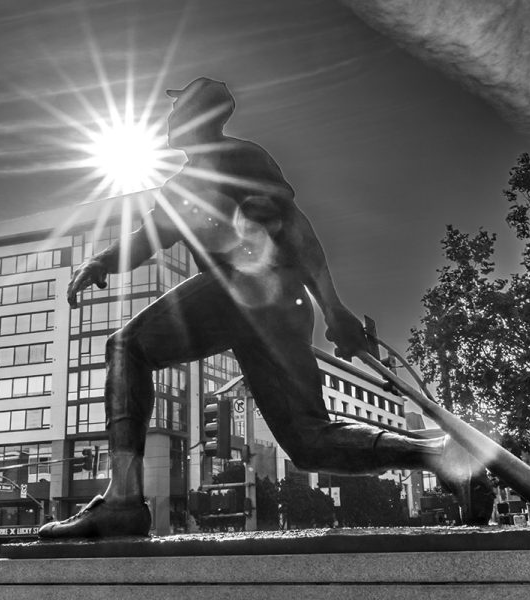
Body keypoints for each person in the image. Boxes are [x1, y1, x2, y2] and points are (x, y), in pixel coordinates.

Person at [38, 76, 494, 538]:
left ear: (197, 115)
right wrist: (101, 260)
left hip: (245, 289)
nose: (168, 120)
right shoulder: (181, 186)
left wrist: (335, 308)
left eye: (176, 111)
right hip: (277, 307)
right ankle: (439, 451)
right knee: (311, 445)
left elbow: (296, 230)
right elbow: (147, 238)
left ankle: (121, 502)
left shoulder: (240, 158)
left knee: (126, 349)